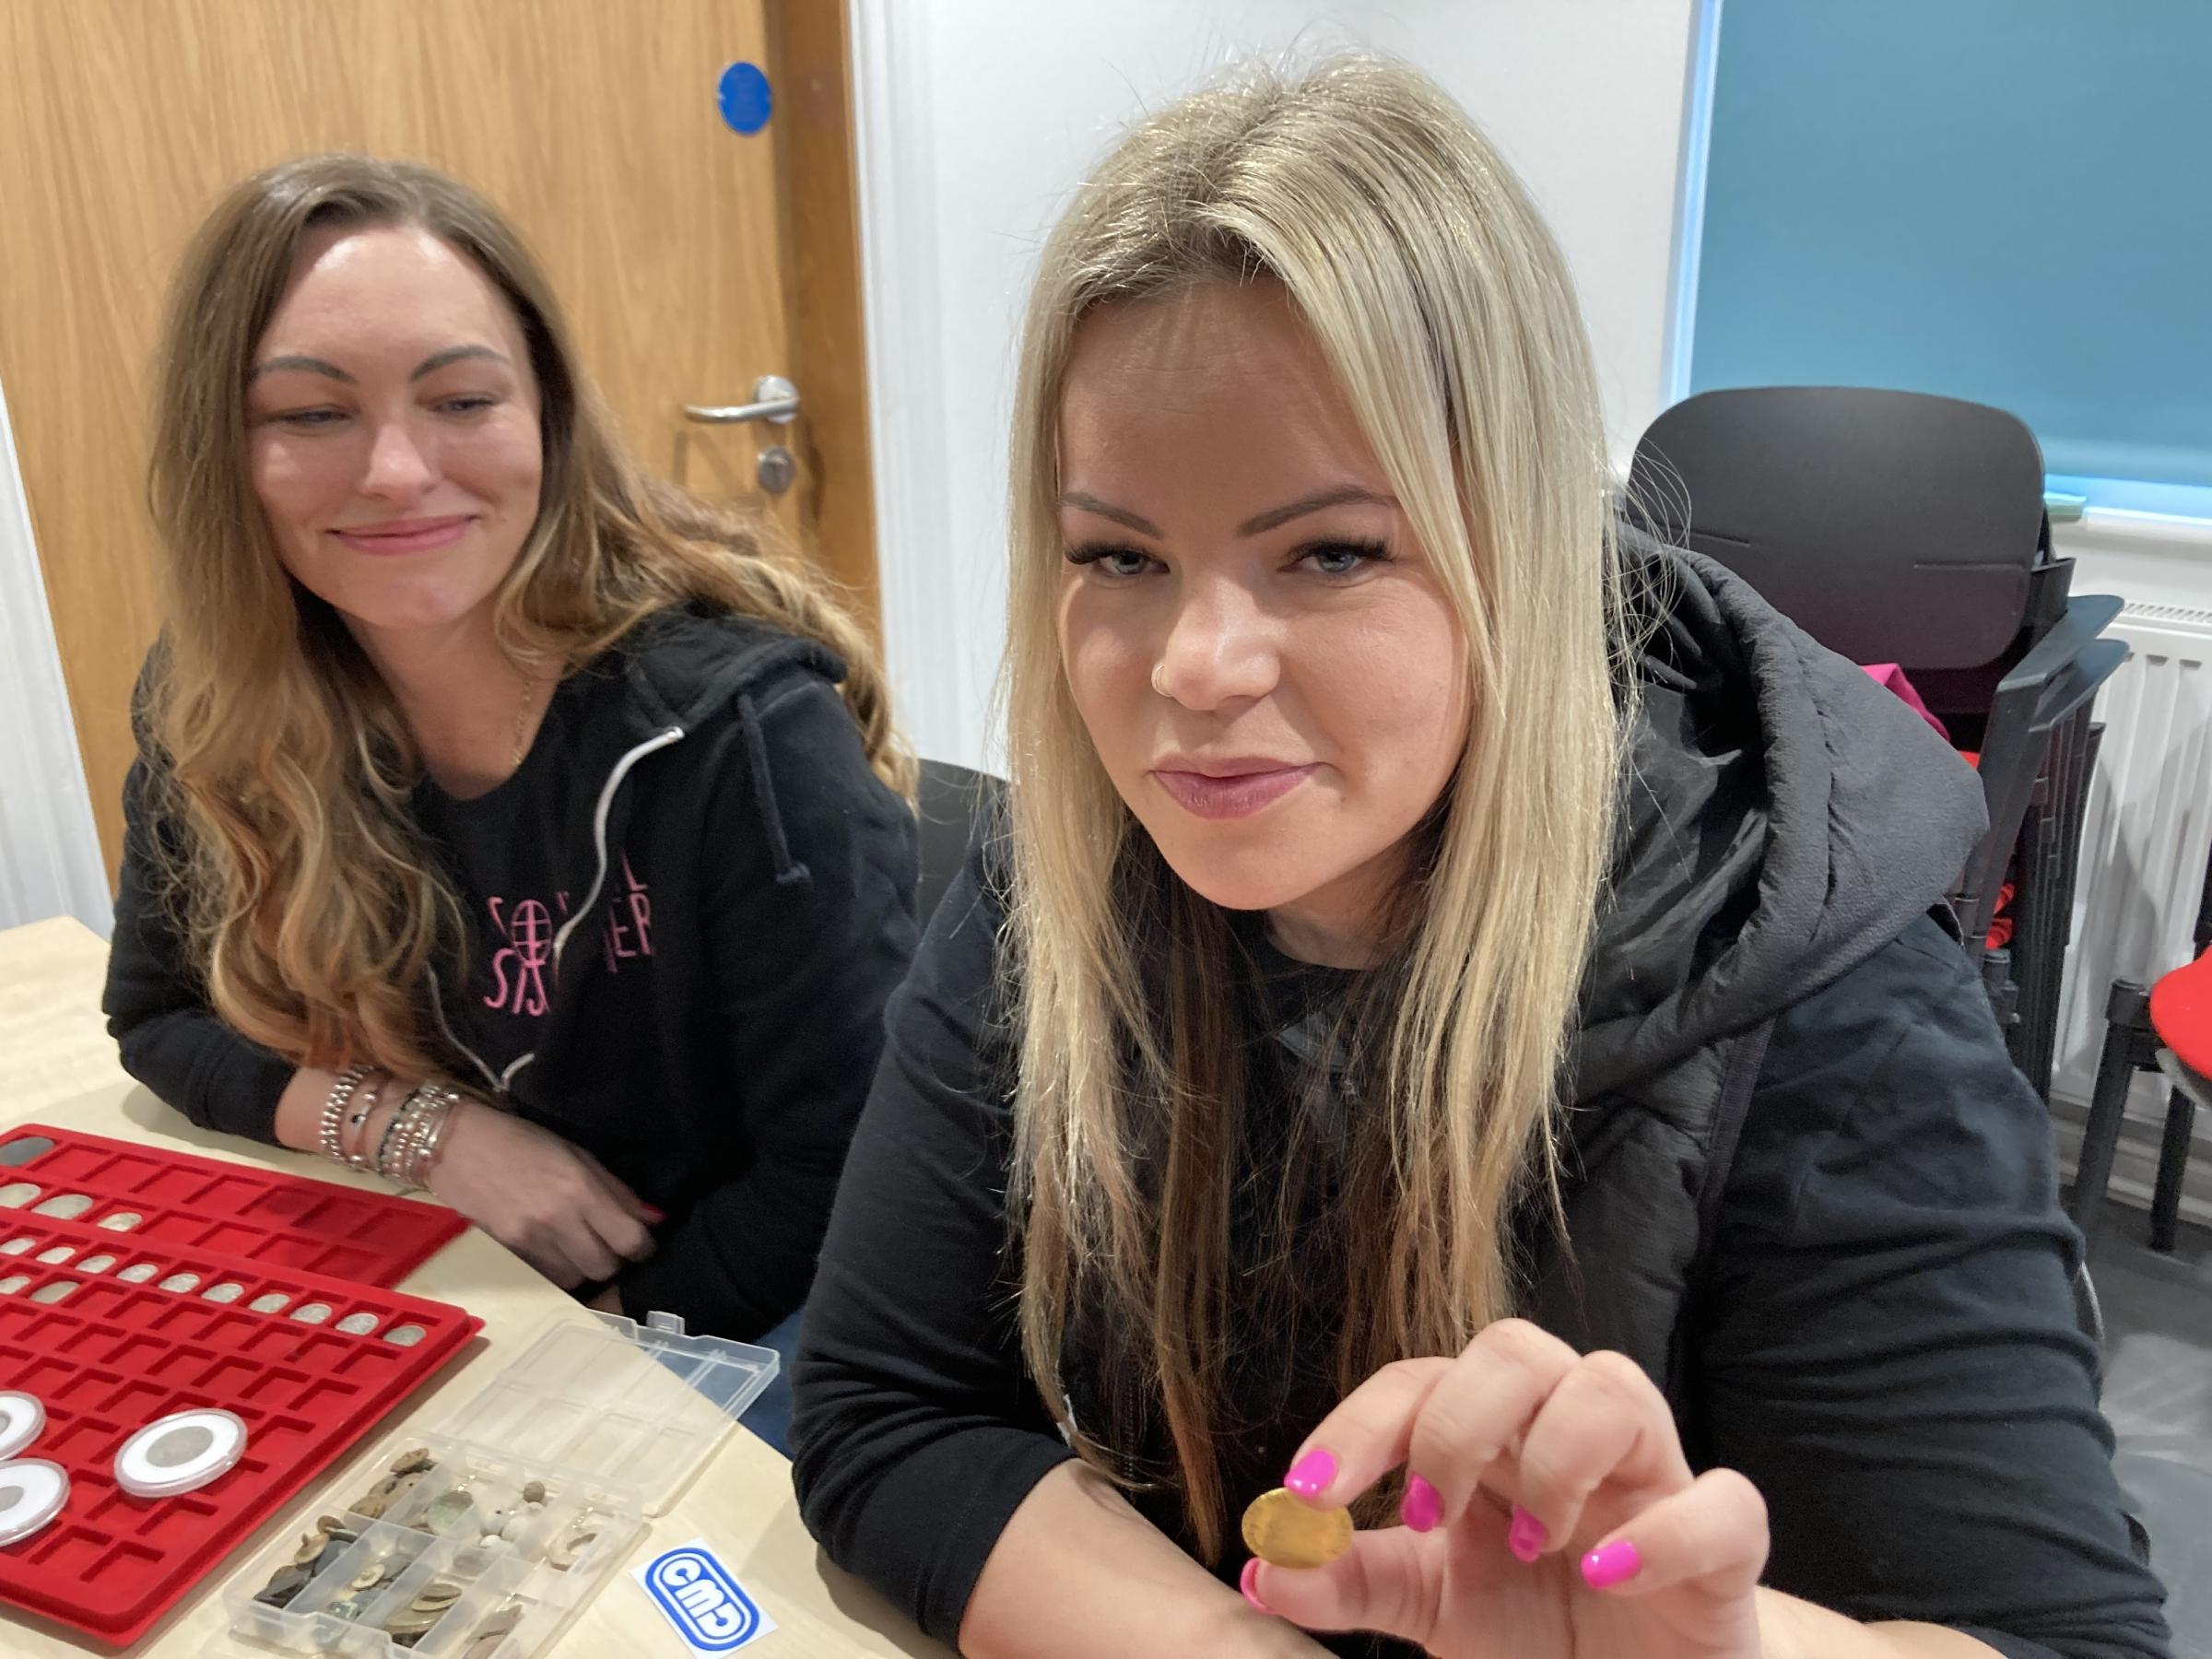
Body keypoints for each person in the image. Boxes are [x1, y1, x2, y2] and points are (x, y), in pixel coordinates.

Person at [788, 58, 2169, 1659]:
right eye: (1120, 556)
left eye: (1330, 552)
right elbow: (893, 1412)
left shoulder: (1829, 1006)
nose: (1195, 667)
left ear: (1516, 542)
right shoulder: (1064, 881)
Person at [103, 157, 918, 1441]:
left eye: (462, 398)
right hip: (463, 1262)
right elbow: (159, 1018)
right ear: (227, 450)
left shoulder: (743, 735)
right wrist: (429, 1135)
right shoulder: (216, 698)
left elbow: (845, 1182)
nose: (395, 470)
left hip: (747, 1304)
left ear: (543, 411)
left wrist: (568, 1373)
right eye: (312, 415)